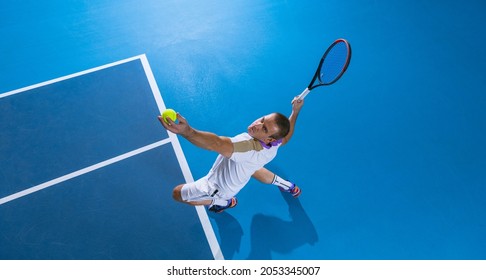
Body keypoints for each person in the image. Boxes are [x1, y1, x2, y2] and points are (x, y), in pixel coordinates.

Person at [158, 96, 304, 213]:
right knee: (253, 169)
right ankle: (287, 186)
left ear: (269, 138)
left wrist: (187, 132)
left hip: (217, 188)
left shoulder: (246, 147)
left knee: (177, 194)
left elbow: (216, 143)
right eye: (262, 119)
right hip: (245, 170)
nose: (257, 125)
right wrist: (295, 112)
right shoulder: (274, 143)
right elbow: (286, 137)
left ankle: (223, 202)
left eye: (264, 128)